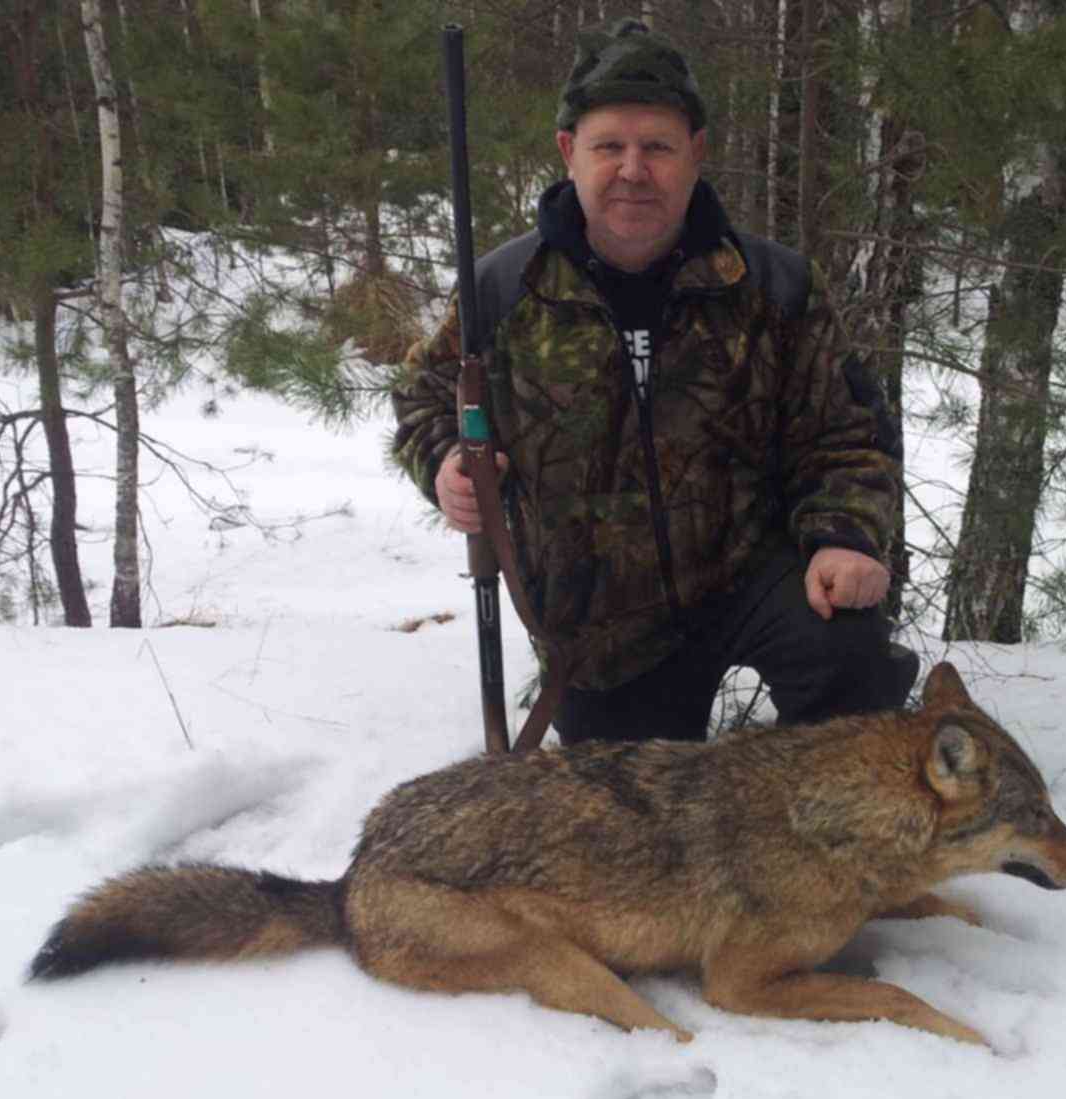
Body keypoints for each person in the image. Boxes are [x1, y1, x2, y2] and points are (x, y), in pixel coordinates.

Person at [391, 16, 917, 746]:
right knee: (632, 826)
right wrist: (446, 460)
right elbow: (423, 398)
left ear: (695, 155)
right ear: (569, 153)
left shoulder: (773, 284)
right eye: (610, 146)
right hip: (602, 618)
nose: (633, 169)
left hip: (753, 571)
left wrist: (844, 537)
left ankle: (831, 839)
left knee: (847, 647)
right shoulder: (501, 290)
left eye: (657, 147)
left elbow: (847, 431)